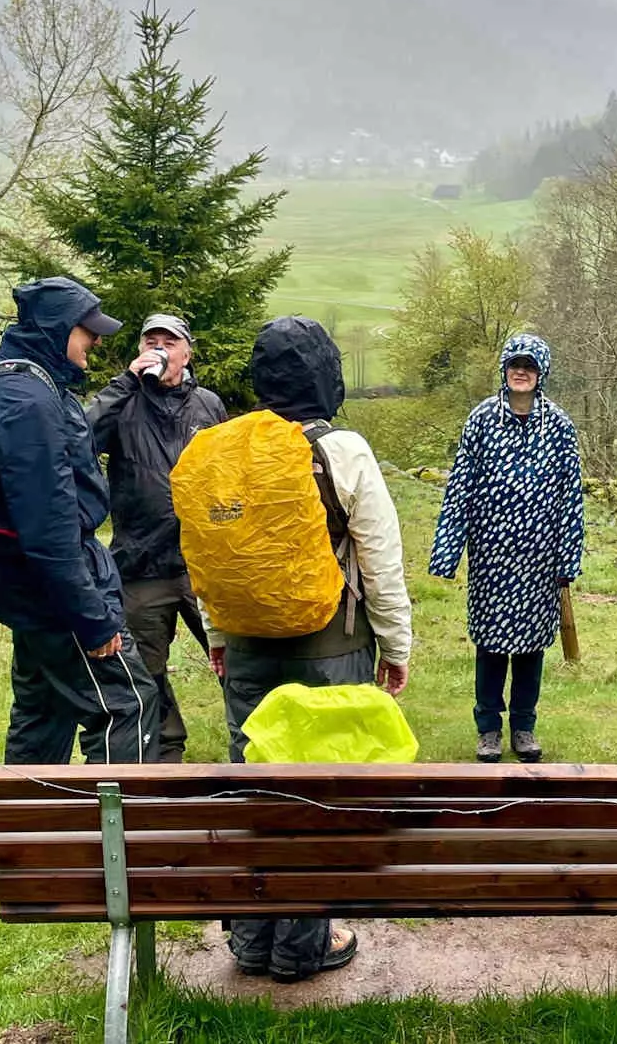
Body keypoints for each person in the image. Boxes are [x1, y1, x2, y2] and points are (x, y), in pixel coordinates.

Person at [203, 315, 412, 982]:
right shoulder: (342, 448)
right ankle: (302, 946)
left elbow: (212, 555)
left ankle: (251, 943)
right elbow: (379, 553)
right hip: (330, 643)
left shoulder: (226, 446)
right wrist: (395, 642)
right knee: (317, 794)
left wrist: (216, 633)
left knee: (257, 785)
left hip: (244, 643)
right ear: (327, 373)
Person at [0, 277, 160, 765]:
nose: (94, 340)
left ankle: (28, 840)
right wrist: (92, 618)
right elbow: (46, 525)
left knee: (44, 710)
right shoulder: (24, 401)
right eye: (86, 330)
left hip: (29, 588)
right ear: (57, 328)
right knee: (127, 705)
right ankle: (114, 839)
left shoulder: (14, 382)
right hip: (56, 593)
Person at [429, 333, 584, 765]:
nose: (522, 371)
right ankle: (488, 730)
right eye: (515, 364)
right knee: (491, 645)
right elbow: (460, 486)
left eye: (530, 366)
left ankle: (524, 726)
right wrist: (447, 551)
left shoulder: (560, 425)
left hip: (540, 557)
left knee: (532, 646)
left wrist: (568, 558)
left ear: (542, 373)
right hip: (492, 556)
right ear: (504, 368)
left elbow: (571, 495)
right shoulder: (480, 420)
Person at [87, 313, 227, 762]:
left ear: (187, 351)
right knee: (145, 672)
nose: (160, 346)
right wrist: (124, 381)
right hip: (142, 564)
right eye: (152, 339)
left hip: (205, 564)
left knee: (238, 661)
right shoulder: (123, 401)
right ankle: (164, 752)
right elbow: (81, 436)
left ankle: (253, 746)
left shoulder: (208, 405)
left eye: (170, 340)